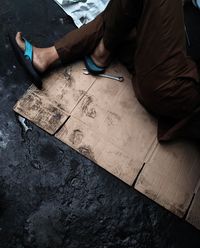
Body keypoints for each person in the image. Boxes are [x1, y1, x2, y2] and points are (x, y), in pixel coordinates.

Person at [10, 0, 200, 142]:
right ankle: (50, 56)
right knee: (127, 14)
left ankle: (102, 50)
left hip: (176, 90)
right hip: (160, 67)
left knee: (128, 16)